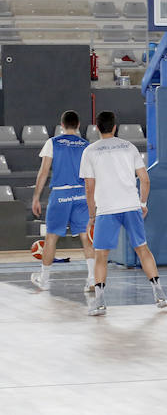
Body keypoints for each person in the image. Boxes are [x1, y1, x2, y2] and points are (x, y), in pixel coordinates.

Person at [80, 111, 167, 316]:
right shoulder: (128, 147)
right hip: (131, 206)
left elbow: (89, 187)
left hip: (106, 209)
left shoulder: (90, 151)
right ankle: (160, 295)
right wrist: (143, 203)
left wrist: (92, 215)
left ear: (96, 128)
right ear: (115, 127)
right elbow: (145, 180)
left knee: (101, 256)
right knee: (143, 250)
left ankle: (100, 302)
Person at [30, 110, 94, 292]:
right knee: (86, 238)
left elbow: (43, 172)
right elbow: (91, 176)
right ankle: (91, 279)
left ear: (62, 125)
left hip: (60, 195)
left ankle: (44, 280)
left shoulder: (53, 143)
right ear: (79, 125)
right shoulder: (86, 145)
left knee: (51, 238)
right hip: (81, 194)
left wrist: (36, 197)